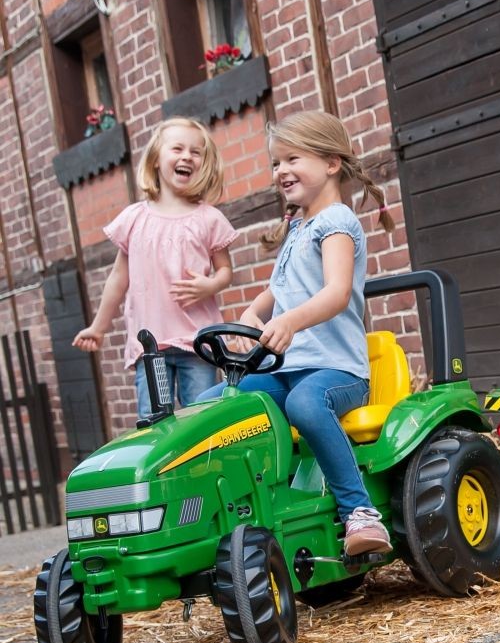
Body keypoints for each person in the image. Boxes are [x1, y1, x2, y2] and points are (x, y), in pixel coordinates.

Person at [197, 110, 395, 556]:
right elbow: (278, 288)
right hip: (286, 371)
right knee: (217, 405)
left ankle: (360, 513)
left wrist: (288, 321)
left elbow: (337, 292)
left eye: (292, 159)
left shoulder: (337, 222)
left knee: (307, 404)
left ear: (330, 163)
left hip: (336, 372)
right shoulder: (300, 227)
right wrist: (253, 313)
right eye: (275, 163)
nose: (281, 171)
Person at [73, 117, 236, 419]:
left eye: (196, 152)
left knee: (199, 419)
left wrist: (210, 285)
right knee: (153, 423)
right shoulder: (135, 218)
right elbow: (119, 277)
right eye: (177, 148)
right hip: (150, 347)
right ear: (156, 160)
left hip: (196, 344)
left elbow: (226, 270)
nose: (187, 156)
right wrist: (98, 326)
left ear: (205, 164)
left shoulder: (208, 219)